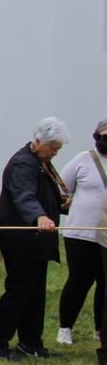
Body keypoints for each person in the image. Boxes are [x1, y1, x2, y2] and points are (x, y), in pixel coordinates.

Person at [0, 119, 70, 360]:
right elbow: (24, 196)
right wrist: (39, 216)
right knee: (19, 291)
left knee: (35, 292)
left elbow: (43, 195)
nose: (55, 152)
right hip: (20, 239)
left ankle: (30, 343)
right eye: (53, 147)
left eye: (58, 148)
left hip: (36, 241)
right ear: (38, 141)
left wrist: (61, 206)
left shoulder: (42, 163)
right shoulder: (22, 164)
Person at [55, 119, 107, 350]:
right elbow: (62, 188)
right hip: (80, 233)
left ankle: (101, 329)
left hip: (105, 234)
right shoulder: (82, 160)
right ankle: (65, 327)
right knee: (79, 280)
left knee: (104, 283)